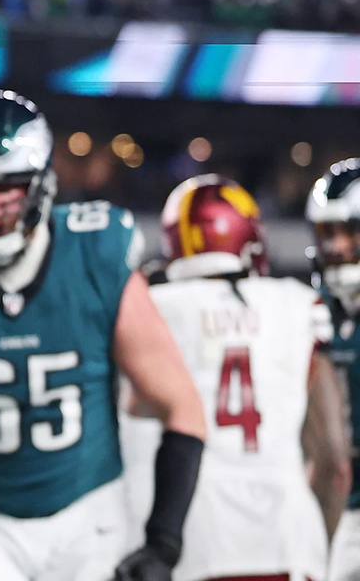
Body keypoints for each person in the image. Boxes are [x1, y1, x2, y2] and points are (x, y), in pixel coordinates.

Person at [0, 90, 206, 581]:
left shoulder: (95, 253)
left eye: (5, 186)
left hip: (89, 514)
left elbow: (183, 409)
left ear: (37, 185)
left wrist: (164, 543)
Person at [121, 175, 347, 581]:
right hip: (288, 544)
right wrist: (320, 551)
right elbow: (333, 465)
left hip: (190, 544)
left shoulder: (151, 307)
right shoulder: (297, 306)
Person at [309, 159, 360, 581]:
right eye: (327, 232)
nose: (336, 245)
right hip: (332, 504)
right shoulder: (312, 310)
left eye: (348, 230)